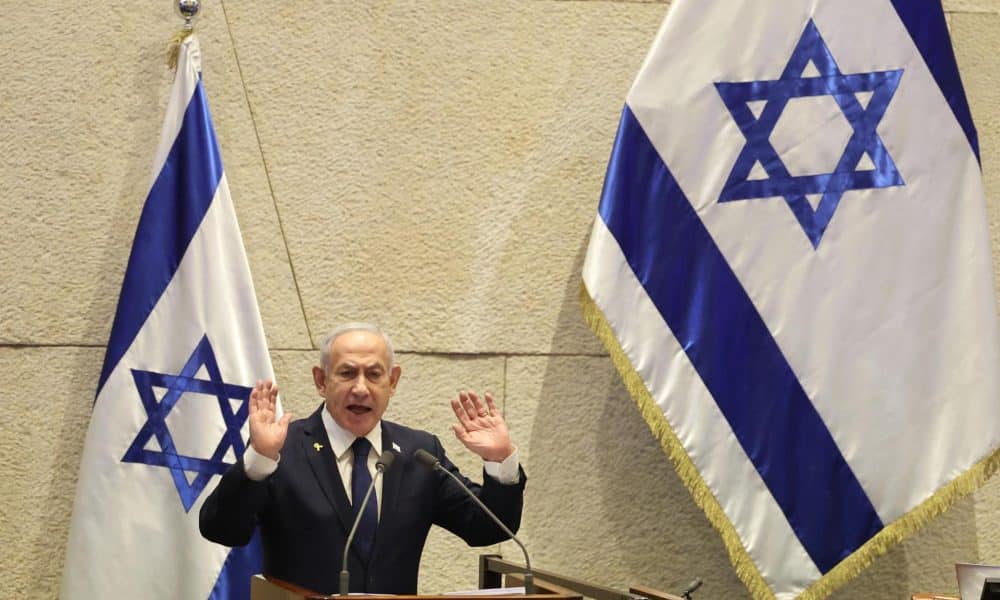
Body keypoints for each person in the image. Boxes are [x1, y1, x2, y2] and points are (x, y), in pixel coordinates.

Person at [199, 322, 526, 595]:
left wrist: (500, 461)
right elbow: (222, 530)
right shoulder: (283, 449)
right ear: (321, 380)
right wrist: (259, 460)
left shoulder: (420, 454)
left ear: (392, 381)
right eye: (346, 373)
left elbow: (487, 528)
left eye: (374, 374)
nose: (360, 388)